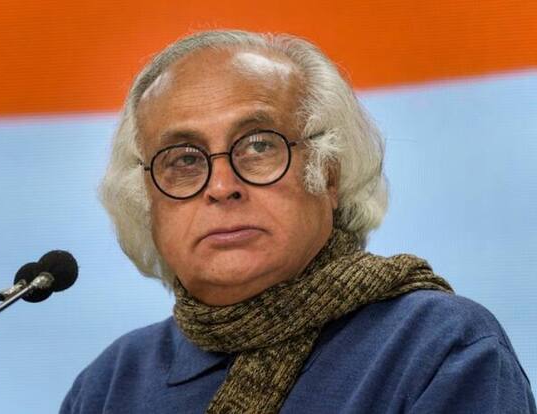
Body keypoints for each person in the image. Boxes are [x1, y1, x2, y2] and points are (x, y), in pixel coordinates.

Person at [60, 30, 536, 413]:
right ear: (146, 199)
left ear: (328, 173)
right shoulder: (109, 384)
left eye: (259, 146)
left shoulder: (437, 346)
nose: (221, 186)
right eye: (183, 160)